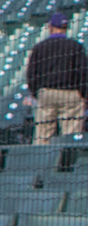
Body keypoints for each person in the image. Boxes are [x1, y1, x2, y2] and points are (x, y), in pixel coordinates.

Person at [25, 12, 87, 143]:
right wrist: (84, 95)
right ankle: (69, 162)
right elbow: (83, 73)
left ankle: (41, 163)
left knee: (43, 135)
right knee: (71, 136)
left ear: (50, 26)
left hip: (47, 93)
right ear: (66, 27)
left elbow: (31, 74)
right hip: (70, 94)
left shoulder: (40, 47)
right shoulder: (75, 46)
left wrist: (36, 93)